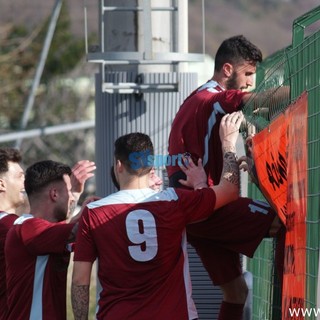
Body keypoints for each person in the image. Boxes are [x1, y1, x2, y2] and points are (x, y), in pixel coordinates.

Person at [71, 113, 243, 320]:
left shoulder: (93, 212)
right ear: (152, 167)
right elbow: (230, 189)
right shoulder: (175, 201)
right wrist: (228, 143)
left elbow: (80, 279)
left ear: (118, 165)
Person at [167, 34, 286, 320]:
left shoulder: (194, 101)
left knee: (236, 293)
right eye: (248, 74)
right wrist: (303, 90)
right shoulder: (212, 100)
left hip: (194, 209)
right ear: (228, 70)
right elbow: (264, 99)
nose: (250, 82)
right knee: (284, 221)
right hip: (205, 207)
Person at [5, 159, 96, 320]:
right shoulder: (25, 227)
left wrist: (74, 193)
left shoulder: (48, 235)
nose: (71, 198)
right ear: (54, 194)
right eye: (68, 192)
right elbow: (74, 230)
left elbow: (63, 228)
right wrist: (103, 210)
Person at [0, 148, 27, 320]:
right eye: (20, 176)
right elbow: (54, 236)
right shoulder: (10, 227)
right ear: (1, 184)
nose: (25, 182)